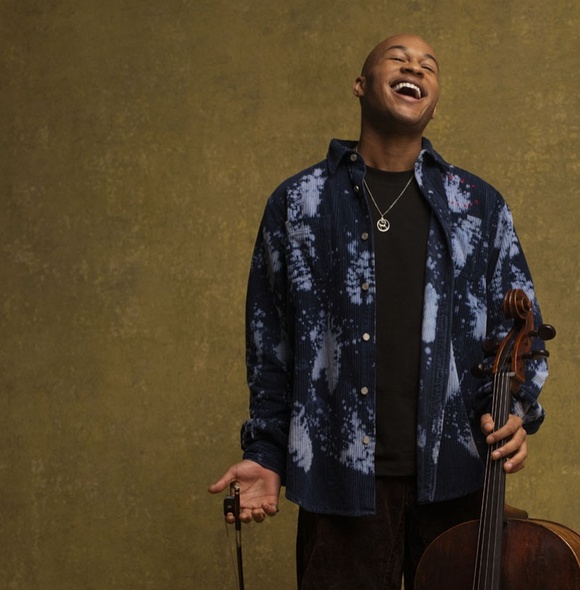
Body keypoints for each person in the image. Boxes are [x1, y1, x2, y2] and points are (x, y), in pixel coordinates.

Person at [209, 33, 549, 590]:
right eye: (398, 58)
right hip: (336, 481)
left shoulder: (476, 205)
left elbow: (519, 327)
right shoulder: (298, 204)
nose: (414, 65)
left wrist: (517, 412)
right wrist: (266, 453)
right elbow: (270, 347)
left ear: (433, 101)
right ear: (362, 85)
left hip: (456, 476)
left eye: (428, 65)